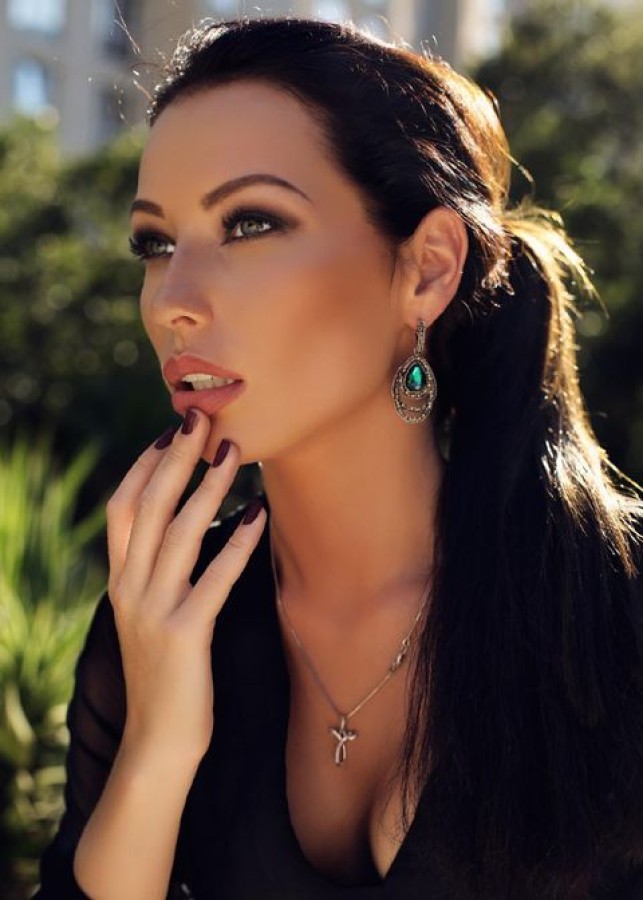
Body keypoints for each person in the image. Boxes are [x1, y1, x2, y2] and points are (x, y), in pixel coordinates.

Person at [33, 15, 643, 900]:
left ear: (427, 270)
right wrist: (158, 744)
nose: (171, 302)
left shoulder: (616, 603)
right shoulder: (165, 624)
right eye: (155, 244)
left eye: (249, 223)